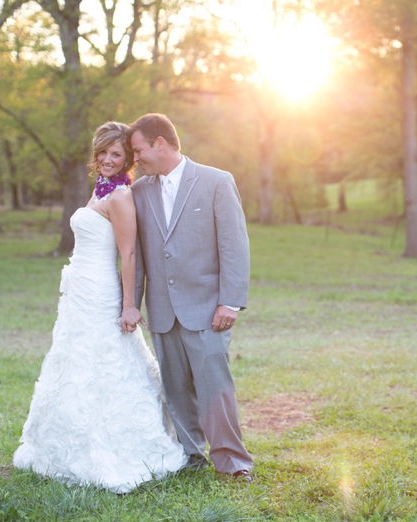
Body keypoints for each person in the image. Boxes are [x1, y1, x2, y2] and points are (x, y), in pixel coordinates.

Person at [13, 122, 187, 494]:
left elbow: (128, 254)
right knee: (75, 361)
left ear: (127, 159)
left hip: (104, 292)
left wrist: (129, 306)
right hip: (81, 292)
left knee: (106, 361)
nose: (108, 160)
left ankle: (114, 445)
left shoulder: (121, 196)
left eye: (117, 154)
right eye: (103, 153)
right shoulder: (100, 189)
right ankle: (65, 442)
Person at [124, 113, 253, 481]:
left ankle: (233, 463)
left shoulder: (216, 182)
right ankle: (189, 457)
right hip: (163, 311)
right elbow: (136, 255)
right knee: (176, 391)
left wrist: (230, 301)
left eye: (139, 150)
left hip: (208, 309)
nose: (137, 160)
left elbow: (234, 245)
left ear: (160, 144)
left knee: (216, 389)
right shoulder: (138, 192)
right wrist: (130, 304)